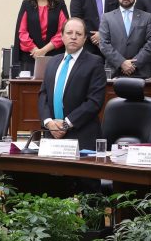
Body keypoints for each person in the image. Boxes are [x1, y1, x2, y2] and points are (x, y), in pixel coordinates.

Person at [39, 17, 106, 150]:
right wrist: (48, 122)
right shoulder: (52, 62)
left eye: (79, 34)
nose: (73, 37)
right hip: (52, 135)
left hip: (81, 137)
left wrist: (66, 124)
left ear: (85, 38)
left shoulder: (95, 62)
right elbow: (43, 95)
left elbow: (94, 101)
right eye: (69, 33)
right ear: (62, 37)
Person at [13, 0, 69, 73]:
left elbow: (64, 32)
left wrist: (44, 50)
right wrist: (35, 51)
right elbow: (22, 32)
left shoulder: (60, 4)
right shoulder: (26, 5)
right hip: (30, 57)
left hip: (55, 57)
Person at [98, 0, 151, 78]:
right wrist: (122, 63)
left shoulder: (147, 17)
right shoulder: (106, 17)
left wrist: (133, 64)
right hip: (114, 72)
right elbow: (104, 44)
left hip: (140, 72)